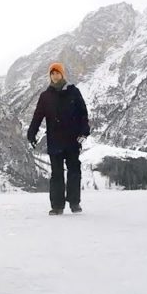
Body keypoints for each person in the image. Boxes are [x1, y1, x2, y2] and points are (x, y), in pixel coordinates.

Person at [27, 62, 90, 215]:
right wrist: (31, 133)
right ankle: (57, 206)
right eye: (52, 73)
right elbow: (37, 117)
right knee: (56, 174)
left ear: (62, 74)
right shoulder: (45, 96)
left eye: (57, 73)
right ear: (50, 76)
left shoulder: (73, 92)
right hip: (55, 140)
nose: (55, 76)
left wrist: (84, 132)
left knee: (74, 171)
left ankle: (74, 203)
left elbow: (83, 114)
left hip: (72, 140)